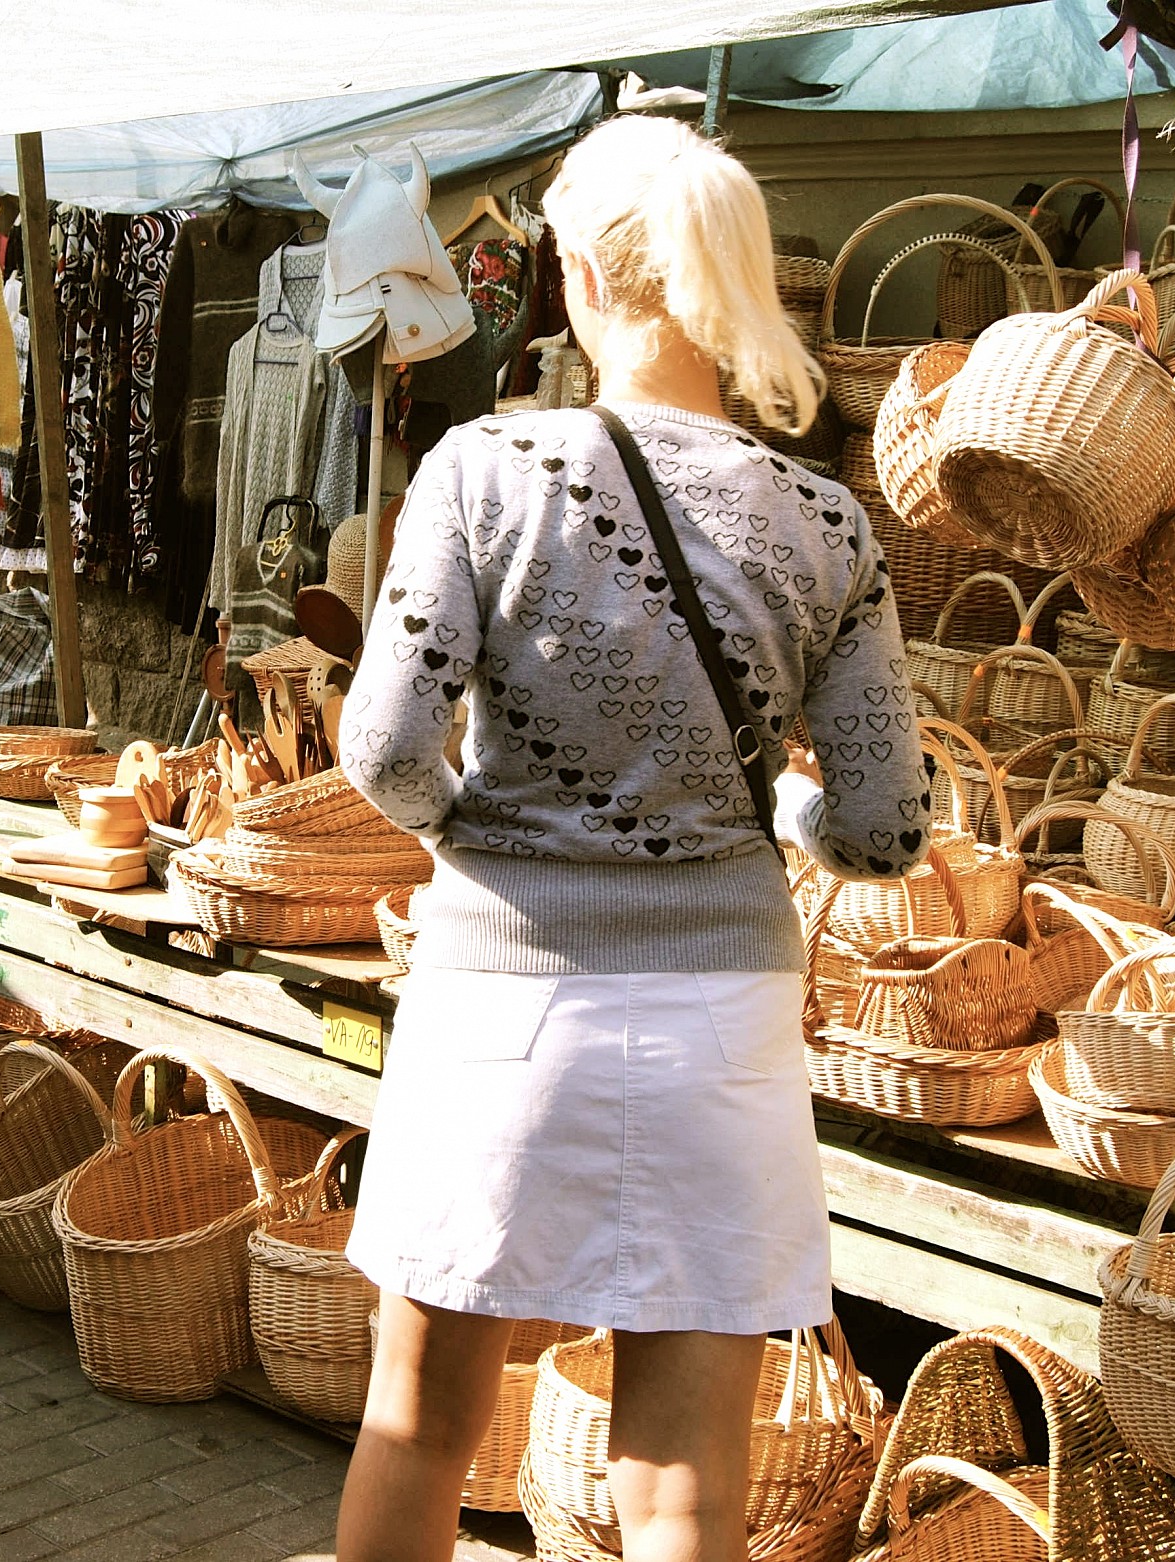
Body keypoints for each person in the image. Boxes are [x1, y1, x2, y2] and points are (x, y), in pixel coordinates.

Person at [335, 115, 931, 1562]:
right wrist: (779, 814)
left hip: (501, 1003)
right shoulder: (828, 523)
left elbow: (384, 752)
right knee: (681, 1476)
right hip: (720, 1022)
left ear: (581, 277)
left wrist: (479, 832)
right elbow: (886, 821)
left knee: (419, 1422)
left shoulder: (481, 471)